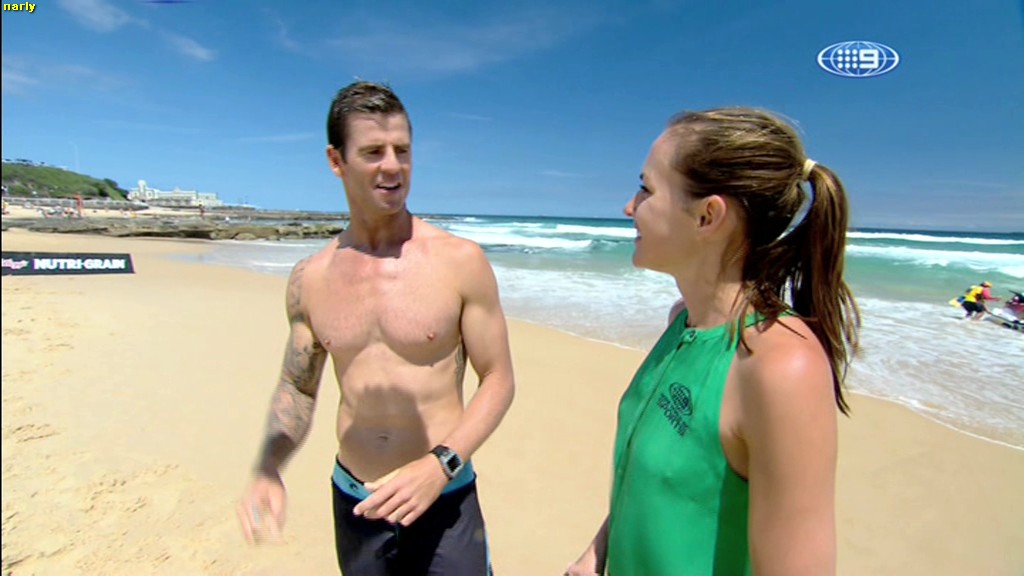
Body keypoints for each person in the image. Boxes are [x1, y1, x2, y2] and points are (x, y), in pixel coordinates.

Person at [237, 81, 515, 575]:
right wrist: (267, 466)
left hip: (444, 499)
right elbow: (298, 387)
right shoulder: (311, 278)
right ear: (336, 160)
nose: (393, 166)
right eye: (373, 152)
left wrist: (440, 464)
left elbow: (498, 378)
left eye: (402, 150)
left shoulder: (459, 261)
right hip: (358, 504)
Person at [566, 108, 860, 575]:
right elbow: (662, 486)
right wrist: (598, 552)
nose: (629, 207)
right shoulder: (683, 322)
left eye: (646, 189)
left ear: (708, 216)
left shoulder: (780, 366)